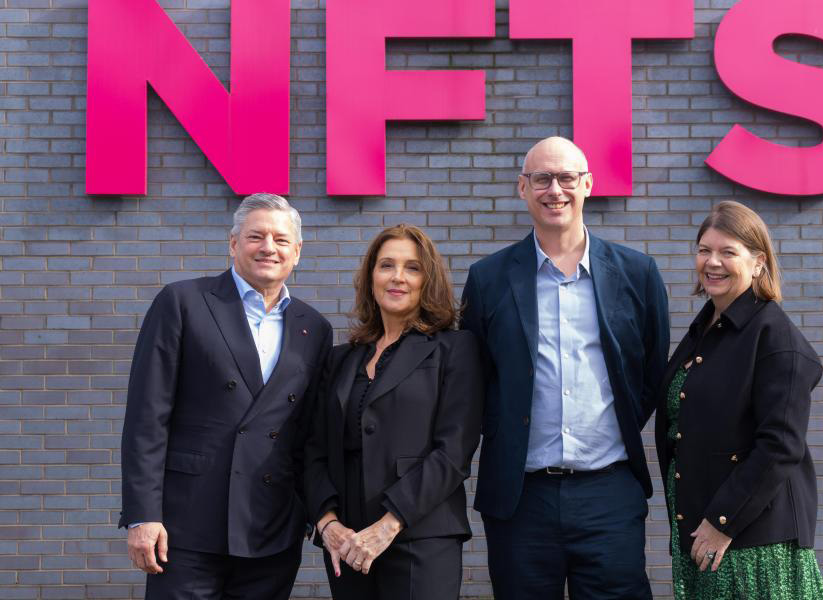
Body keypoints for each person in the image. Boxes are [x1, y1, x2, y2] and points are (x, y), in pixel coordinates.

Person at [460, 136, 671, 599]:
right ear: (522, 188)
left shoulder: (637, 273)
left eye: (567, 178)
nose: (555, 190)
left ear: (588, 184)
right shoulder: (488, 278)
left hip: (609, 493)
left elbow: (653, 372)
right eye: (542, 179)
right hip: (521, 497)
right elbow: (475, 380)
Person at [119, 193, 333, 599]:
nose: (268, 247)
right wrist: (142, 515)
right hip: (185, 525)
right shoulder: (183, 302)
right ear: (234, 243)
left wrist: (308, 514)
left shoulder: (314, 327)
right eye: (256, 236)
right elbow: (147, 417)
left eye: (281, 240)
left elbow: (308, 433)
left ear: (297, 252)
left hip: (270, 528)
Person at [654, 200, 823, 599]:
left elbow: (781, 445)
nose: (712, 262)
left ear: (758, 262)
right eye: (704, 250)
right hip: (704, 537)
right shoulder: (706, 328)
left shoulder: (774, 336)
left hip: (750, 545)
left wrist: (722, 521)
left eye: (728, 252)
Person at [303, 224, 484, 600]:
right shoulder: (340, 359)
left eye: (412, 267)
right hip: (347, 541)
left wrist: (388, 524)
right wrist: (327, 522)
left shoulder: (454, 349)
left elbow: (453, 452)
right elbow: (313, 449)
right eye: (386, 265)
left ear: (427, 280)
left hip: (420, 536)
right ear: (371, 277)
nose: (397, 276)